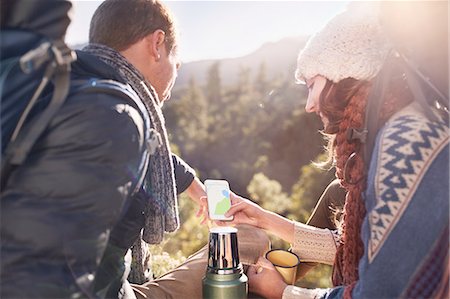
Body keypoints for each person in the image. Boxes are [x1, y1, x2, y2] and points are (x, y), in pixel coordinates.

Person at [222, 3, 449, 299]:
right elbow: (357, 247)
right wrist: (264, 218)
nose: (309, 105)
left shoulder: (405, 140)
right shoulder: (394, 129)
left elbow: (383, 293)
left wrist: (285, 293)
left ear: (345, 75)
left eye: (313, 84)